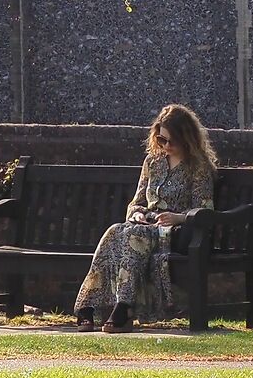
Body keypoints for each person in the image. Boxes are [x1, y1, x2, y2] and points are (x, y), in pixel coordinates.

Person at [74, 104, 218, 330]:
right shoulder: (153, 162)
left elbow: (204, 209)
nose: (167, 146)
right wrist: (138, 212)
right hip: (146, 224)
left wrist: (178, 218)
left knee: (135, 235)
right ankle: (88, 305)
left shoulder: (197, 167)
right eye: (162, 140)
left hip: (176, 231)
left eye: (172, 141)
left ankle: (124, 306)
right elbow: (136, 202)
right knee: (115, 231)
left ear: (186, 138)